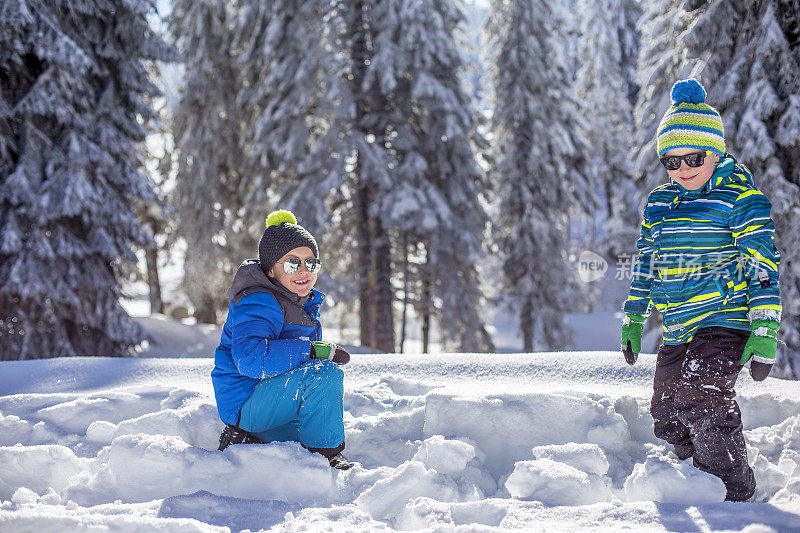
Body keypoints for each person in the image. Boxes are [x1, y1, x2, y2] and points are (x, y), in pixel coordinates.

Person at [620, 78, 781, 502]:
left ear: (715, 152)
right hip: (678, 325)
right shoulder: (659, 203)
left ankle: (733, 491)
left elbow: (762, 266)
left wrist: (765, 329)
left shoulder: (740, 198)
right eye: (671, 162)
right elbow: (647, 264)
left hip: (725, 318)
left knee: (702, 396)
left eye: (693, 156)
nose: (683, 168)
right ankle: (696, 475)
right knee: (667, 414)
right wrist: (634, 317)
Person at [211, 209, 353, 470]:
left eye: (311, 263)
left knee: (315, 422)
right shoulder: (258, 300)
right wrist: (311, 350)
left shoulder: (295, 301)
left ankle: (246, 440)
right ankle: (325, 460)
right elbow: (251, 360)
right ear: (271, 270)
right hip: (245, 398)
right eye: (292, 263)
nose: (303, 270)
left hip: (264, 400)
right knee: (323, 375)